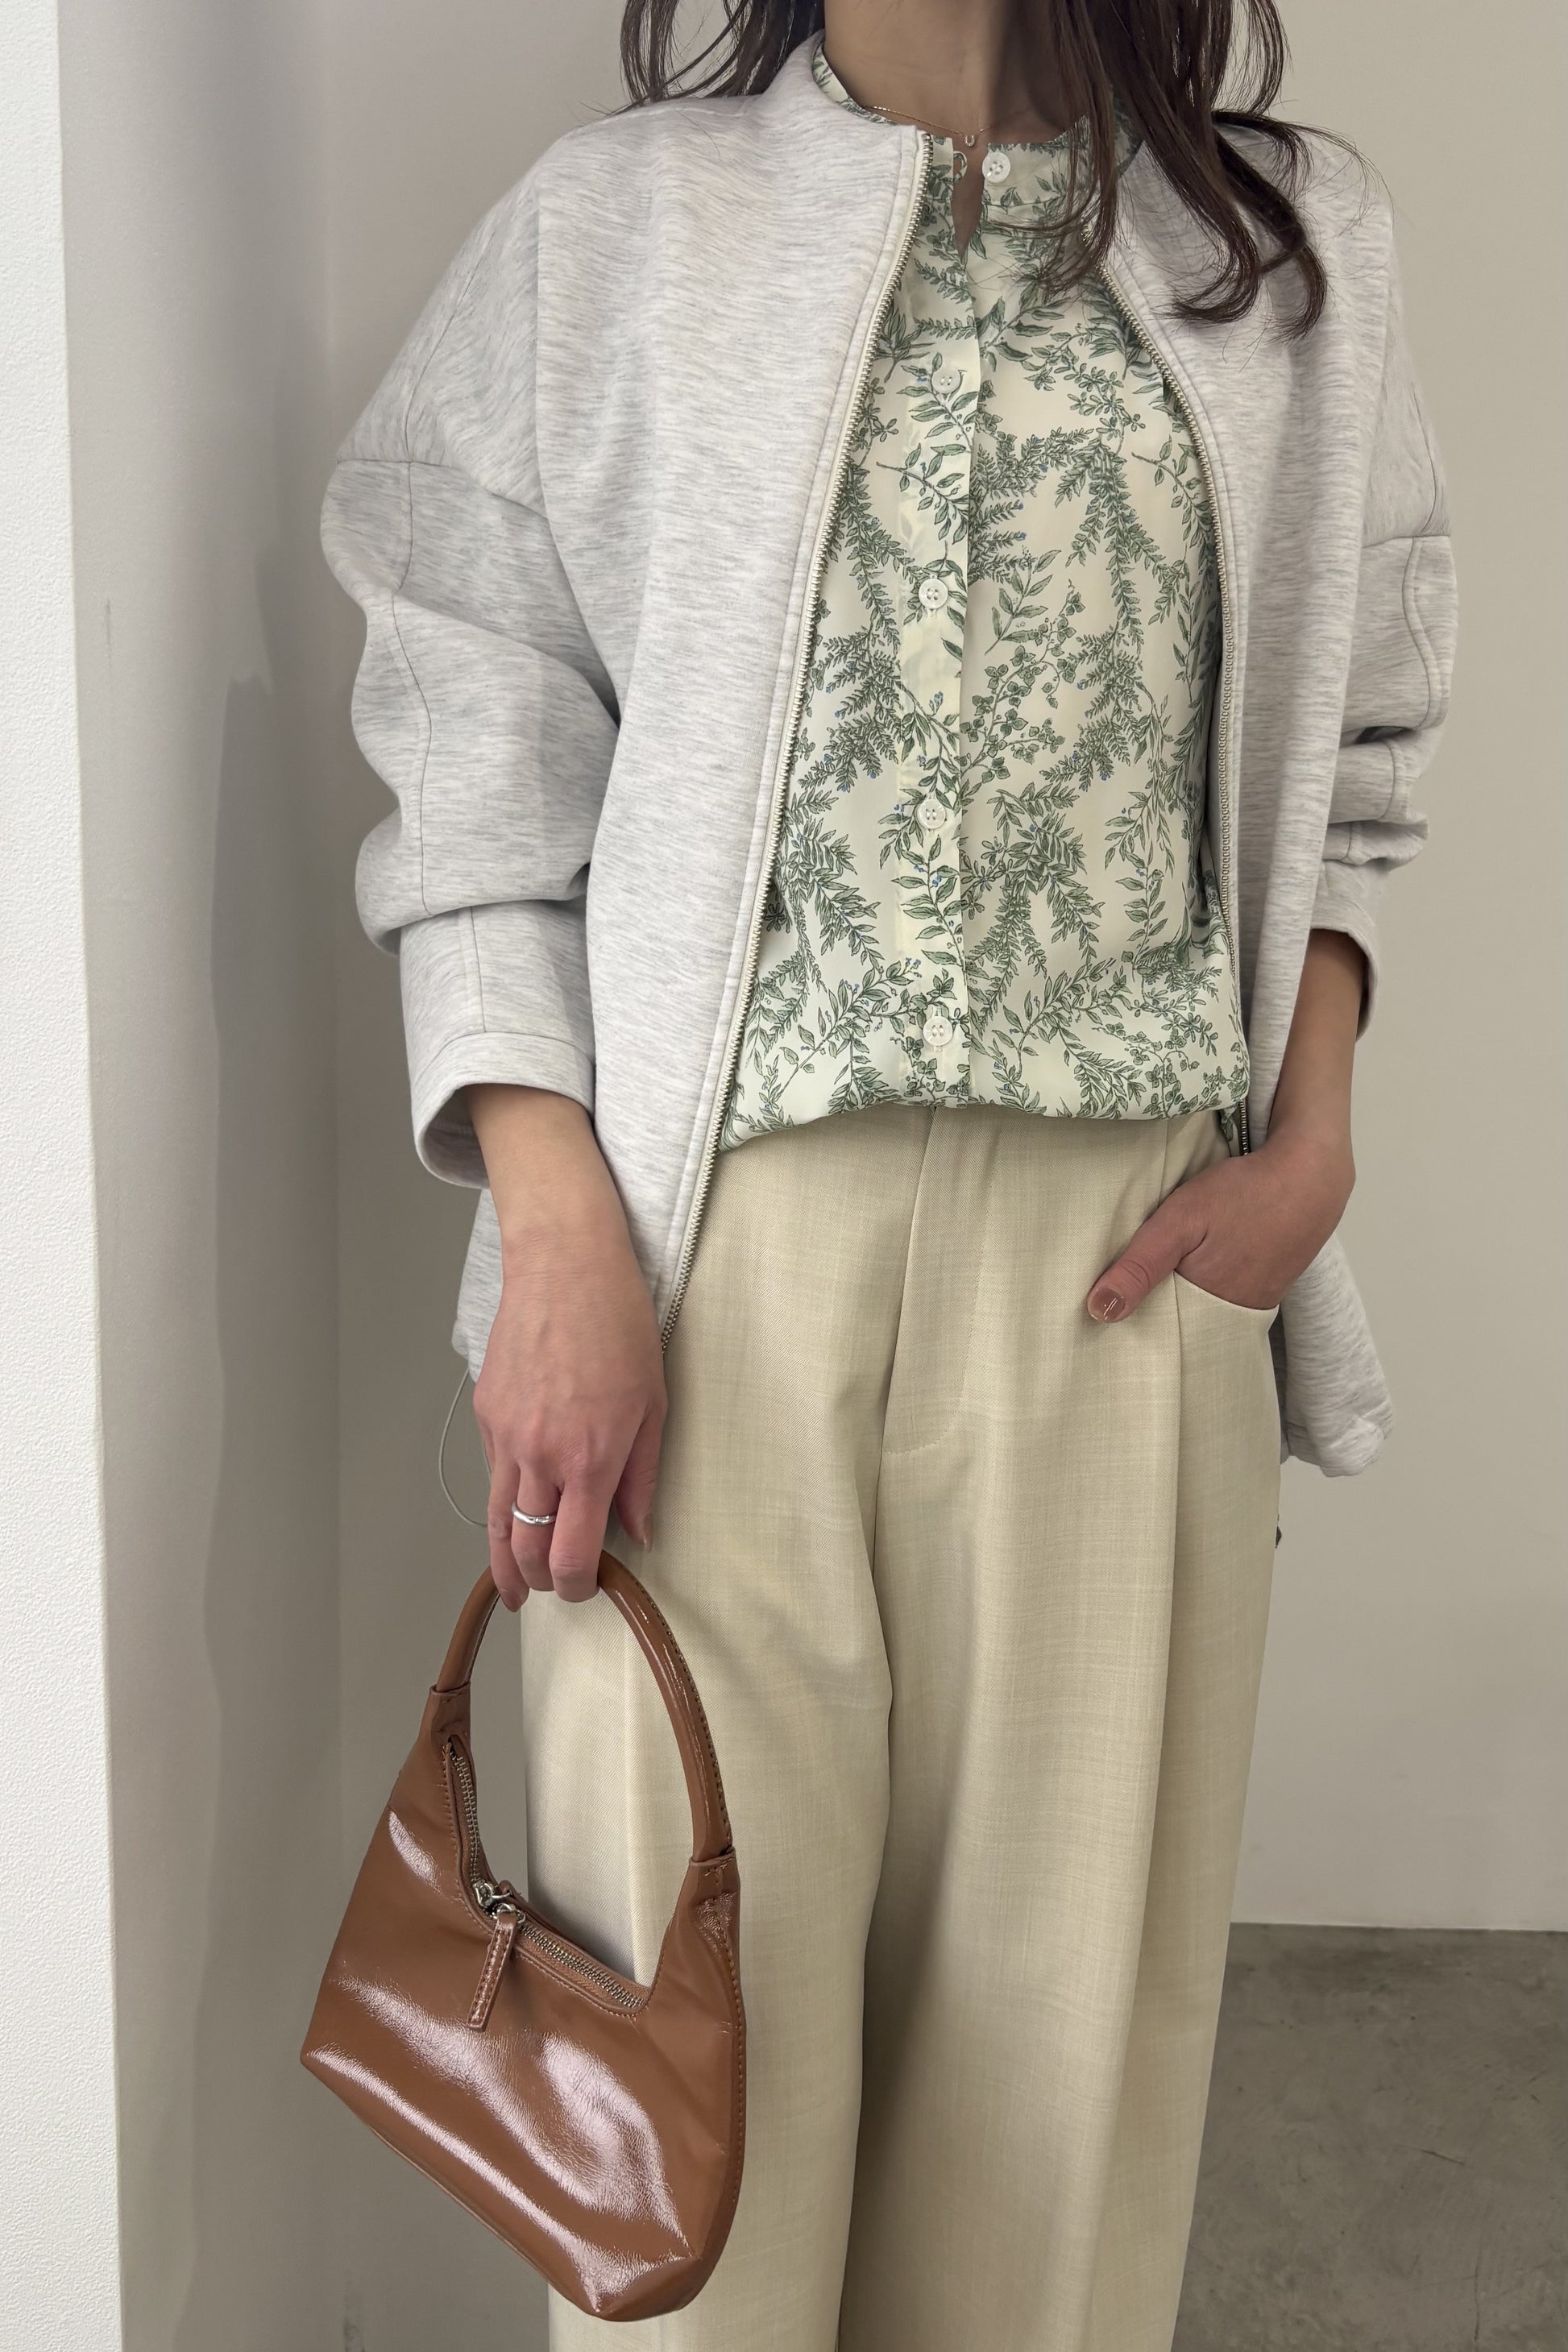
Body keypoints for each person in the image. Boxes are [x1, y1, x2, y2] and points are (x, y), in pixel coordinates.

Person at [322, 1, 1455, 2342]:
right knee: (684, 2145)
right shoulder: (619, 230)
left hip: (1129, 1281)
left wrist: (1314, 1133)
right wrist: (554, 1223)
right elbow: (472, 749)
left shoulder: (1287, 244)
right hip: (714, 1283)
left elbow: (1360, 743)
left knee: (1051, 2131)